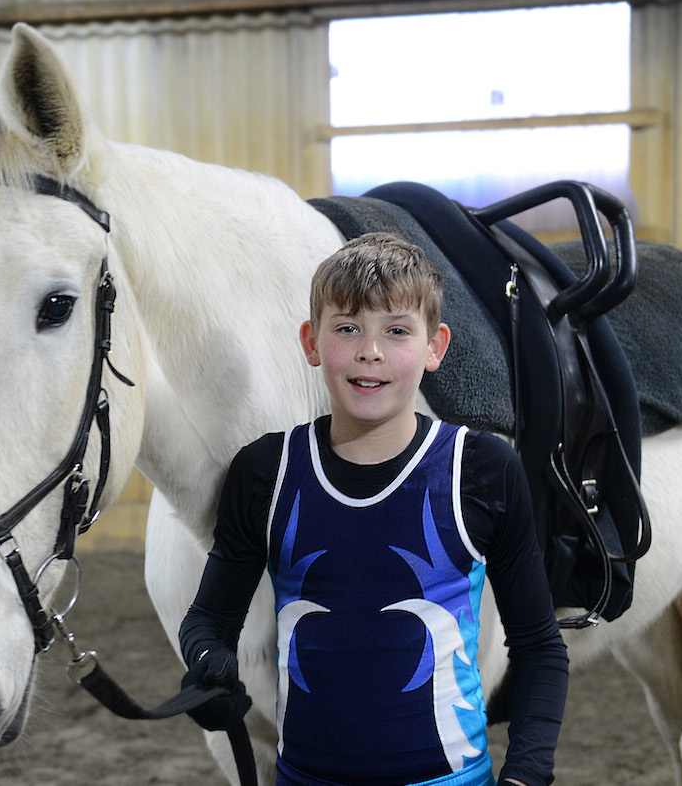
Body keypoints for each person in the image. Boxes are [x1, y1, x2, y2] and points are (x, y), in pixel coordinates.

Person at [179, 232, 568, 786]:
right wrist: (206, 664)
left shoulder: (480, 470)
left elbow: (539, 646)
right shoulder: (267, 472)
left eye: (397, 331)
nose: (371, 351)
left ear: (435, 347)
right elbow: (209, 621)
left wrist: (526, 774)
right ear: (312, 342)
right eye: (347, 329)